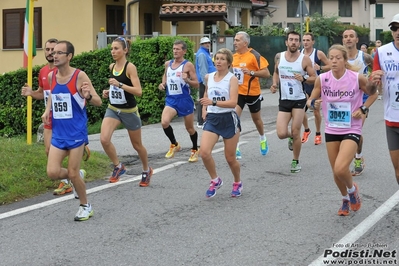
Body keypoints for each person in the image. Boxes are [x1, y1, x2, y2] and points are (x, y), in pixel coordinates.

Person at [307, 44, 378, 216]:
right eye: (331, 58)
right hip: (332, 129)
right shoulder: (322, 79)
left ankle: (353, 190)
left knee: (340, 168)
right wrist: (313, 104)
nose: (334, 61)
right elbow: (310, 100)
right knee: (336, 173)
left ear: (345, 61)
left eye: (338, 58)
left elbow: (373, 94)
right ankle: (345, 199)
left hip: (352, 127)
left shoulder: (355, 78)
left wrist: (363, 108)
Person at [41, 40, 102, 221]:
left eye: (60, 52)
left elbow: (97, 101)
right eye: (54, 52)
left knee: (72, 172)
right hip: (59, 132)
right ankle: (77, 177)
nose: (55, 55)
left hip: (76, 132)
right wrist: (47, 110)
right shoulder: (52, 76)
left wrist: (87, 96)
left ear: (69, 57)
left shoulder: (79, 76)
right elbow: (53, 94)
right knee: (52, 172)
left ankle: (85, 206)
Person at [21, 38, 90, 196]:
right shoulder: (44, 72)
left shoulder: (73, 74)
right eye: (48, 50)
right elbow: (45, 93)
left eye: (55, 50)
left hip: (67, 120)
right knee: (48, 151)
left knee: (63, 151)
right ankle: (71, 178)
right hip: (50, 118)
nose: (51, 53)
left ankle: (74, 173)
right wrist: (32, 93)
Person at [100, 37, 153, 186]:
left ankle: (146, 169)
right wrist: (108, 92)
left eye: (116, 48)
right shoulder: (112, 67)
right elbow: (115, 88)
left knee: (137, 146)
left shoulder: (130, 67)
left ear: (125, 50)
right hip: (113, 109)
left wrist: (120, 84)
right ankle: (118, 166)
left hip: (129, 111)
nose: (113, 51)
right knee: (104, 139)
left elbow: (138, 91)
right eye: (111, 49)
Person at [270, 31, 316, 173]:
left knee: (296, 131)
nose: (294, 42)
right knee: (281, 133)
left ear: (299, 43)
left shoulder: (305, 59)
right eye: (291, 40)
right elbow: (276, 72)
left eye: (296, 40)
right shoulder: (279, 57)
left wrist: (304, 79)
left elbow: (314, 77)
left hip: (299, 99)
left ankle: (295, 161)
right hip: (284, 100)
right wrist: (274, 84)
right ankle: (291, 138)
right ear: (286, 42)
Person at [199, 48, 241, 198]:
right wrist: (205, 108)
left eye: (222, 59)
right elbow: (206, 94)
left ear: (229, 63)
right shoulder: (209, 77)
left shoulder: (232, 79)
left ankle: (237, 182)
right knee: (204, 152)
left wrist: (213, 102)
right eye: (217, 58)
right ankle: (215, 180)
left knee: (230, 158)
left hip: (228, 119)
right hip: (213, 118)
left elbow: (233, 103)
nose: (219, 61)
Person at [342, 29, 377, 176]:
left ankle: (357, 157)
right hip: (343, 101)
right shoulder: (339, 58)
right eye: (345, 37)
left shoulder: (366, 57)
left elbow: (377, 70)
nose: (348, 39)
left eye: (351, 36)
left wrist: (374, 83)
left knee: (355, 130)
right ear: (343, 40)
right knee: (344, 133)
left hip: (361, 100)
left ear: (357, 40)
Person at [158, 40, 200, 162]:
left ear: (184, 51)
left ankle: (194, 149)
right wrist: (163, 84)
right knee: (164, 122)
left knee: (189, 128)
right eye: (174, 49)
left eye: (178, 49)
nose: (175, 51)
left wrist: (187, 80)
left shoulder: (188, 65)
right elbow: (165, 75)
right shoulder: (168, 64)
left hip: (184, 100)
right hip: (171, 99)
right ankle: (174, 144)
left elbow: (197, 84)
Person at [232, 31, 271, 159]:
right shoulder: (233, 57)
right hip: (238, 93)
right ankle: (236, 147)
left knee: (257, 120)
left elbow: (266, 73)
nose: (234, 42)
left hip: (253, 93)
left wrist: (251, 72)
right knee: (235, 118)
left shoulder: (254, 55)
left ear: (245, 43)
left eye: (237, 40)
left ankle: (262, 138)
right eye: (235, 40)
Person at [371, 13, 399, 185]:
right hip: (392, 120)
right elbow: (373, 89)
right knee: (398, 171)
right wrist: (374, 81)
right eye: (394, 28)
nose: (398, 31)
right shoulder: (381, 53)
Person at [300, 32, 331, 145]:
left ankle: (318, 133)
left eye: (308, 40)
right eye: (304, 40)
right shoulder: (300, 54)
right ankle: (307, 130)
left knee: (315, 110)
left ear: (313, 42)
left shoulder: (318, 53)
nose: (305, 42)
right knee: (301, 109)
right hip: (304, 83)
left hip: (316, 85)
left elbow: (330, 65)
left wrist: (321, 67)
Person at [195, 37, 216, 129]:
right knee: (203, 100)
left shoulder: (206, 53)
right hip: (205, 81)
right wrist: (205, 82)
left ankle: (203, 120)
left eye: (208, 43)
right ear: (201, 45)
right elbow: (203, 69)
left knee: (204, 99)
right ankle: (201, 121)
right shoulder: (202, 54)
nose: (207, 44)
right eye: (205, 43)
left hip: (208, 79)